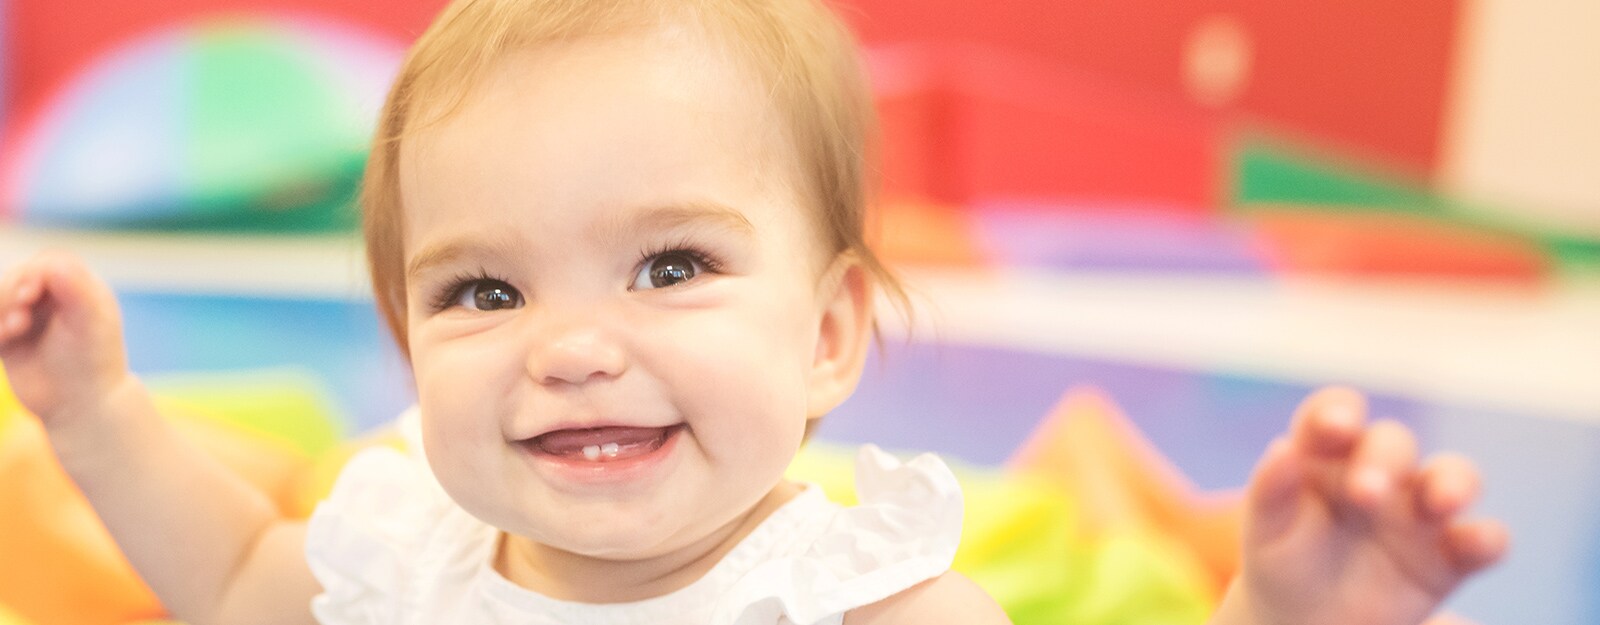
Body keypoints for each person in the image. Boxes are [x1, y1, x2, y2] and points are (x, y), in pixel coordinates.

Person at [0, 0, 1508, 623]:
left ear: (832, 335)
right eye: (484, 287)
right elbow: (228, 577)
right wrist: (95, 409)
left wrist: (1282, 610)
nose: (570, 341)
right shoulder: (410, 553)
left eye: (669, 266)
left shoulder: (865, 599)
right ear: (408, 348)